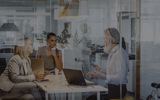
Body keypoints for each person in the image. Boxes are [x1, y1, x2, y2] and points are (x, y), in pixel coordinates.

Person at [87, 28, 129, 100]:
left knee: (91, 99)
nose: (104, 41)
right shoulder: (112, 52)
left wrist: (102, 76)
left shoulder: (119, 54)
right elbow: (114, 72)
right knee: (91, 98)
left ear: (109, 39)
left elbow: (120, 77)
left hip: (118, 90)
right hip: (111, 88)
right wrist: (101, 70)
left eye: (105, 38)